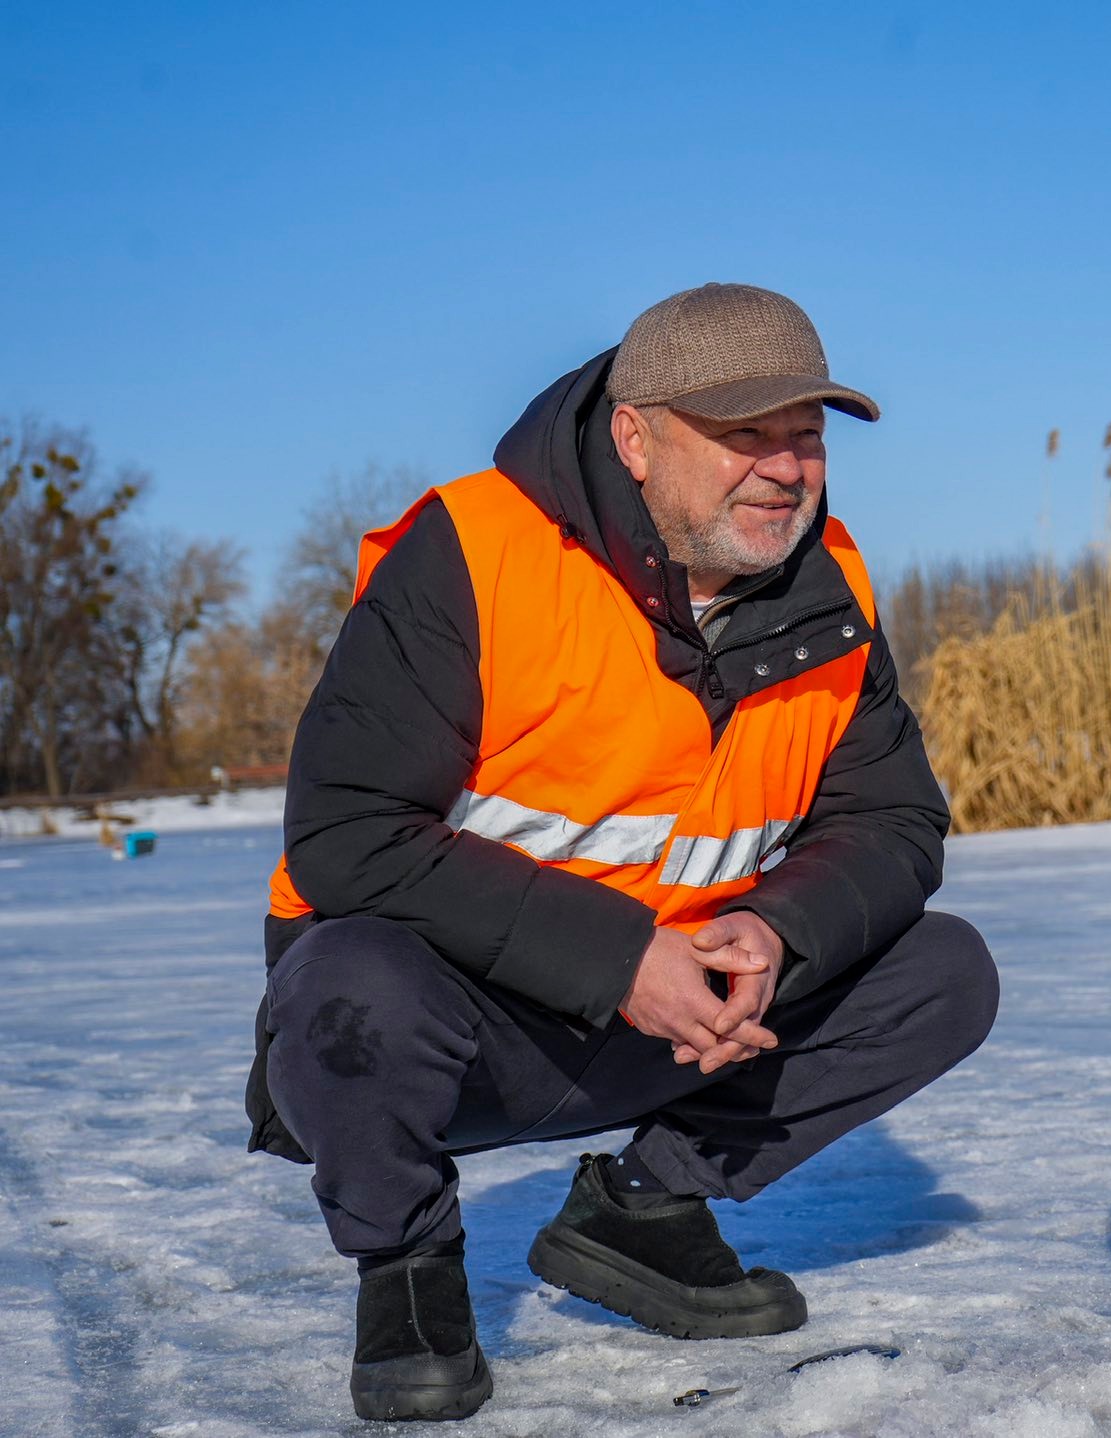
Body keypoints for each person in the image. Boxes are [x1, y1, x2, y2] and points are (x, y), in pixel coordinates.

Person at [243, 283, 1000, 1422]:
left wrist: (774, 931)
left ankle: (641, 1208)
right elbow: (348, 834)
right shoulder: (474, 551)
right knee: (348, 978)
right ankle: (406, 1267)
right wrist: (616, 958)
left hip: (692, 1020)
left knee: (941, 970)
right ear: (634, 438)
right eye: (744, 434)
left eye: (805, 437)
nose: (785, 469)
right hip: (451, 1041)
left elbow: (892, 824)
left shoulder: (828, 586)